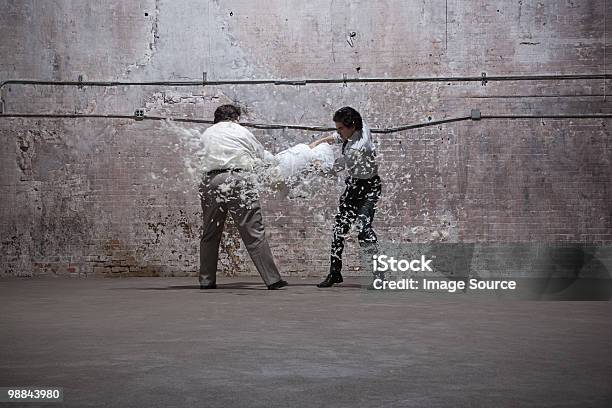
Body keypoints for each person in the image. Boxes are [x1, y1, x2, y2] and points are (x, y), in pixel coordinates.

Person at [198, 104, 288, 290]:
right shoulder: (242, 131)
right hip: (239, 179)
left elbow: (200, 159)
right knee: (253, 232)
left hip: (211, 180)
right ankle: (272, 280)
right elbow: (261, 156)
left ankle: (206, 281)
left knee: (210, 233)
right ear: (235, 118)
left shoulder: (206, 133)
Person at [311, 107, 382, 288]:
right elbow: (339, 138)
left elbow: (333, 170)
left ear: (352, 127)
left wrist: (315, 164)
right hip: (354, 185)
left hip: (369, 189)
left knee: (363, 229)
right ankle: (335, 273)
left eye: (341, 128)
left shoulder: (357, 150)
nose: (338, 132)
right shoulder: (362, 126)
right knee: (339, 229)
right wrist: (318, 142)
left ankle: (379, 275)